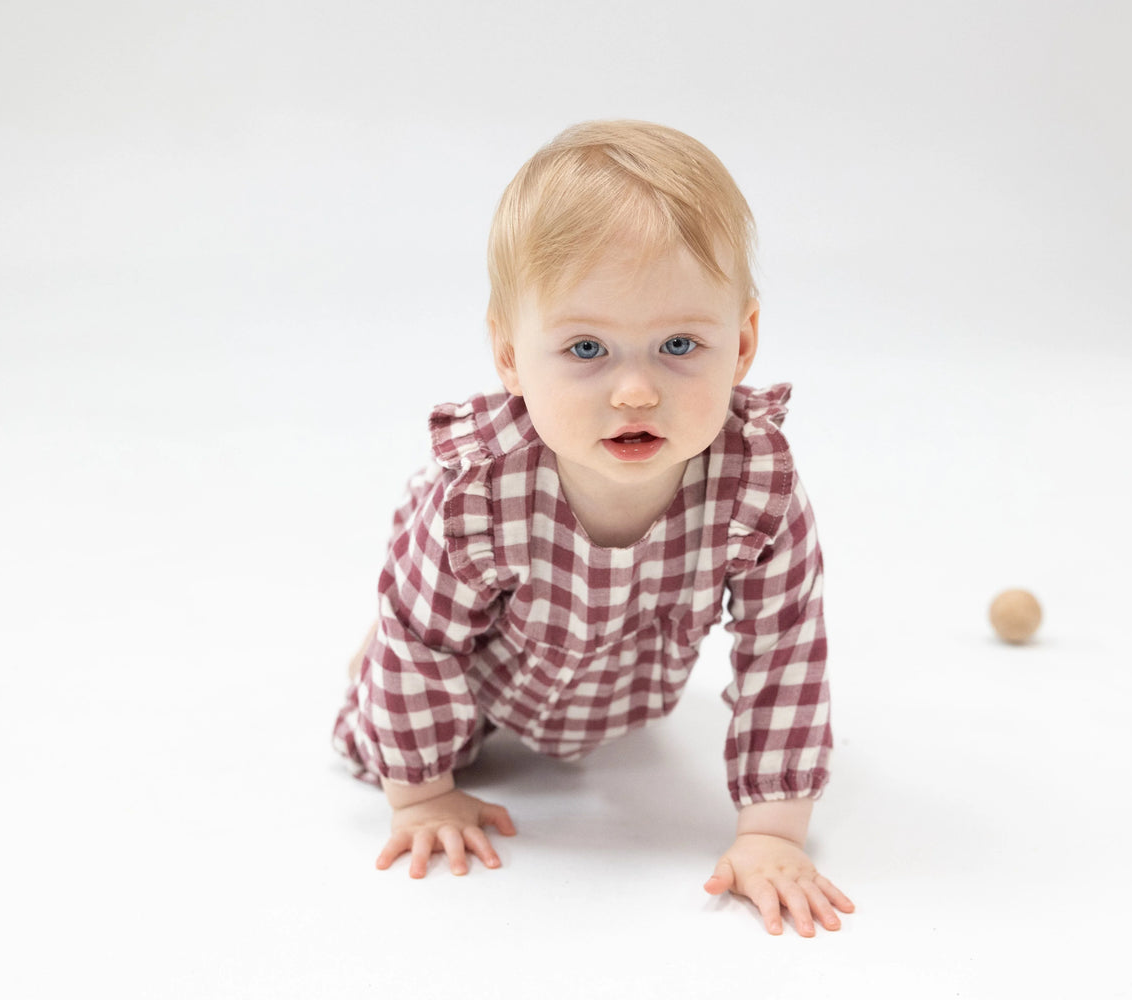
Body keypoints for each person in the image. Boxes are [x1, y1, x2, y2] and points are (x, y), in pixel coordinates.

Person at [333, 120, 853, 936]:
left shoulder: (757, 490)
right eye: (586, 348)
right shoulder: (480, 496)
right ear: (510, 359)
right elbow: (420, 642)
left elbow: (786, 655)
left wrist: (771, 834)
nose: (637, 392)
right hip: (488, 671)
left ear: (744, 342)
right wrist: (424, 792)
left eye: (680, 344)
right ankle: (391, 663)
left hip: (613, 682)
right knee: (408, 672)